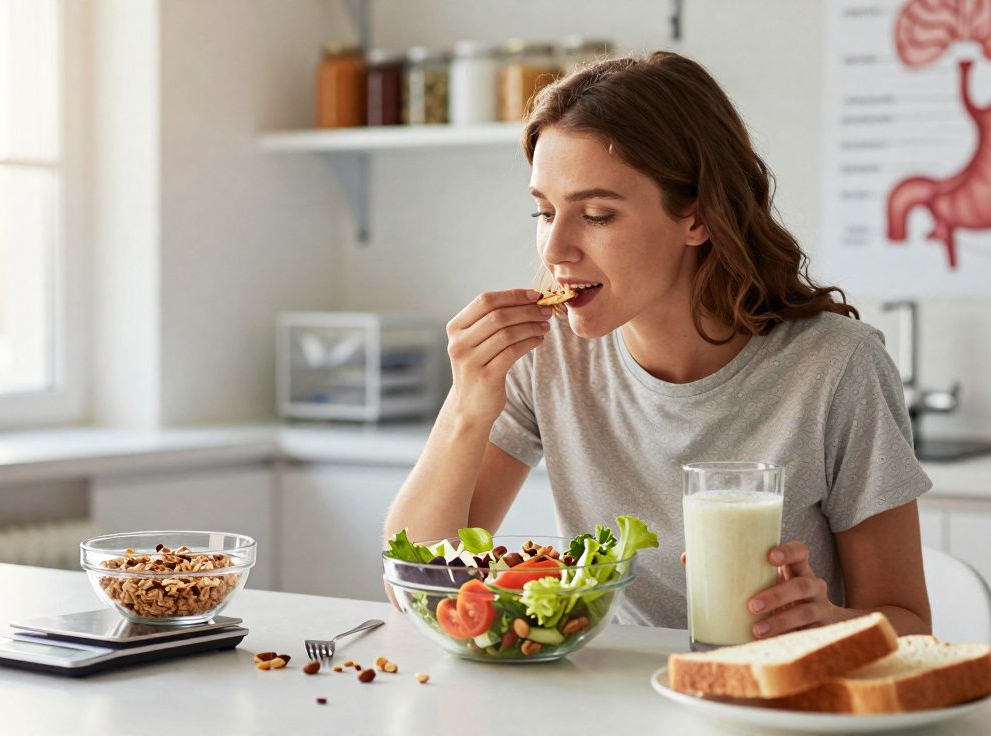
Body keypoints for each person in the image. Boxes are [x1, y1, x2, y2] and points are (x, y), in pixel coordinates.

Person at [383, 52, 932, 638]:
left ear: (695, 217)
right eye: (544, 212)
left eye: (596, 214)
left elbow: (911, 624)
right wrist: (468, 403)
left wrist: (828, 623)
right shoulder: (546, 355)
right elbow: (414, 587)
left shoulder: (835, 367)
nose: (555, 249)